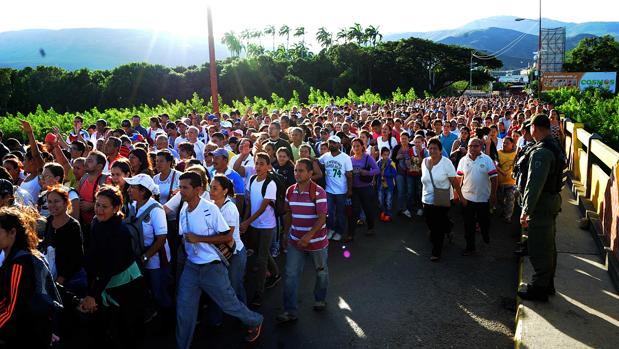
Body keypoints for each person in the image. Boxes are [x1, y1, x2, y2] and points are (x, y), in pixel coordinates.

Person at [175, 172, 263, 348]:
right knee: (184, 311)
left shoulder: (211, 209)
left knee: (229, 304)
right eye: (180, 187)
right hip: (191, 268)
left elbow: (227, 238)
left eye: (185, 188)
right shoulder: (184, 210)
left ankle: (255, 320)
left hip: (213, 267)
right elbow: (184, 237)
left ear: (198, 190)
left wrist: (199, 238)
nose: (181, 191)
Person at [81, 186, 147, 349]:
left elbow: (110, 266)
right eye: (97, 204)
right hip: (103, 282)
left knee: (125, 331)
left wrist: (93, 294)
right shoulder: (96, 222)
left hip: (126, 285)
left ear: (116, 208)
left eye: (105, 206)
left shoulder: (120, 231)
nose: (99, 209)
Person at [518, 114, 564, 302]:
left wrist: (526, 209)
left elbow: (534, 185)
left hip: (541, 204)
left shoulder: (542, 152)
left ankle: (539, 288)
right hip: (550, 201)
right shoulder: (553, 145)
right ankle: (547, 283)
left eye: (530, 127)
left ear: (535, 128)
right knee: (548, 245)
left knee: (540, 247)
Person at [277, 158, 329, 323]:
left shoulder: (318, 192)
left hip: (317, 242)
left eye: (301, 171)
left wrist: (309, 235)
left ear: (310, 173)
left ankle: (320, 299)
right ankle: (289, 311)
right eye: (295, 171)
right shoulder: (290, 191)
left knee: (321, 273)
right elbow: (288, 214)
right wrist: (285, 234)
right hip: (295, 241)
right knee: (290, 275)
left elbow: (322, 218)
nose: (297, 174)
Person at [0, 206, 58, 347]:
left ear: (12, 232)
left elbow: (12, 310)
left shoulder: (20, 263)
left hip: (26, 335)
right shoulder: (19, 257)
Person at [240, 152, 280, 308]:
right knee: (261, 252)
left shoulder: (270, 183)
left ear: (268, 166)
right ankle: (276, 273)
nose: (258, 167)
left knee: (262, 258)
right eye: (256, 163)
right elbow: (250, 203)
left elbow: (263, 207)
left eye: (262, 164)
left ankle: (259, 293)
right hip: (254, 224)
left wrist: (247, 222)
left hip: (267, 225)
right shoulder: (251, 179)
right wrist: (245, 221)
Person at [206, 175, 247, 325]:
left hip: (234, 254)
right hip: (220, 253)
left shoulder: (229, 208)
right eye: (210, 187)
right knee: (220, 287)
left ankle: (246, 319)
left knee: (234, 287)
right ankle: (216, 319)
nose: (211, 191)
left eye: (215, 188)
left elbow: (227, 237)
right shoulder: (211, 205)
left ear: (225, 191)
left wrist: (200, 239)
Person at [421, 137, 464, 261]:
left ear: (440, 150)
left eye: (435, 148)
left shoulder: (446, 163)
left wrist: (460, 196)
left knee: (437, 227)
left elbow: (454, 181)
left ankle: (436, 251)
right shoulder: (424, 162)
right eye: (430, 148)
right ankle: (449, 227)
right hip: (427, 199)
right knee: (430, 222)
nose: (432, 151)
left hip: (443, 198)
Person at [40, 186, 87, 296]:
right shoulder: (48, 222)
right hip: (51, 276)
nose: (52, 205)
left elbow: (77, 257)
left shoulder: (73, 226)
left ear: (66, 203)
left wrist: (61, 279)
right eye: (50, 202)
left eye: (56, 201)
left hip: (70, 281)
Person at [457, 137, 498, 255]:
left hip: (483, 198)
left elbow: (494, 178)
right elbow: (459, 178)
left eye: (476, 146)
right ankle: (470, 248)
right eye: (470, 146)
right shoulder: (463, 160)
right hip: (467, 198)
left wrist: (493, 195)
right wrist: (457, 195)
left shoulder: (487, 159)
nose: (472, 148)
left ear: (481, 147)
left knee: (484, 222)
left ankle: (485, 234)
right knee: (468, 225)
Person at [319, 135, 352, 242]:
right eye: (330, 143)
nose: (331, 145)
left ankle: (339, 231)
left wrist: (350, 189)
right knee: (329, 212)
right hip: (329, 190)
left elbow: (349, 175)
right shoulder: (326, 156)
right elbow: (316, 162)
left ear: (339, 144)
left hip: (341, 191)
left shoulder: (346, 157)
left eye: (334, 143)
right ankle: (331, 229)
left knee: (340, 213)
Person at [345, 138, 379, 242]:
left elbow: (377, 170)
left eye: (358, 146)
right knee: (354, 211)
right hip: (354, 189)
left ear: (362, 147)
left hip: (366, 188)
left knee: (367, 208)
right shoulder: (350, 159)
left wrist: (366, 172)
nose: (356, 148)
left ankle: (370, 228)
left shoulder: (367, 158)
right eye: (354, 146)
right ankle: (351, 234)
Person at [392, 132, 415, 218]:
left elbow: (416, 158)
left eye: (405, 138)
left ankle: (408, 208)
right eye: (402, 138)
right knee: (401, 191)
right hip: (399, 173)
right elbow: (393, 159)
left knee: (409, 191)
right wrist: (397, 157)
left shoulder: (412, 147)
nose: (403, 140)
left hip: (410, 172)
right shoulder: (397, 147)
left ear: (409, 139)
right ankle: (400, 209)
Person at [496, 137, 517, 223]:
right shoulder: (498, 153)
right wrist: (501, 171)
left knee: (510, 199)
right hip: (499, 182)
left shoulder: (516, 154)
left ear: (512, 145)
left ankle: (508, 216)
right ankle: (504, 211)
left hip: (511, 182)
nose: (504, 144)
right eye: (504, 143)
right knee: (500, 199)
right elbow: (494, 164)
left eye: (507, 143)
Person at [376, 147, 397, 222]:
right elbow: (376, 172)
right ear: (381, 155)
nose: (386, 156)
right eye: (384, 155)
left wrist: (385, 174)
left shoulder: (391, 163)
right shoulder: (378, 162)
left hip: (389, 184)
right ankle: (383, 212)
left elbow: (394, 174)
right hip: (381, 184)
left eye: (388, 155)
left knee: (389, 200)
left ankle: (388, 214)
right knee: (380, 200)